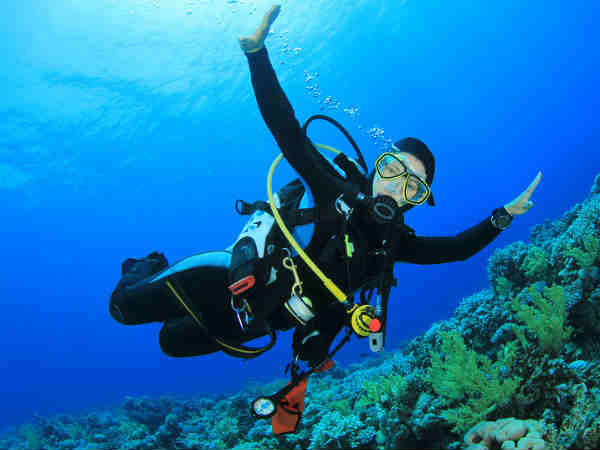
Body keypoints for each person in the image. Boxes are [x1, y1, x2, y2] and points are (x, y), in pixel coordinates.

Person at [109, 4, 542, 433]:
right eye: (392, 170)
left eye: (413, 187)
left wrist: (504, 215)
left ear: (418, 200)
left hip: (254, 322)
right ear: (377, 167)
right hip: (225, 277)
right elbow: (287, 129)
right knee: (123, 309)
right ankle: (146, 266)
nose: (396, 189)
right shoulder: (334, 191)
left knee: (171, 343)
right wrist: (257, 54)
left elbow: (456, 249)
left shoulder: (393, 245)